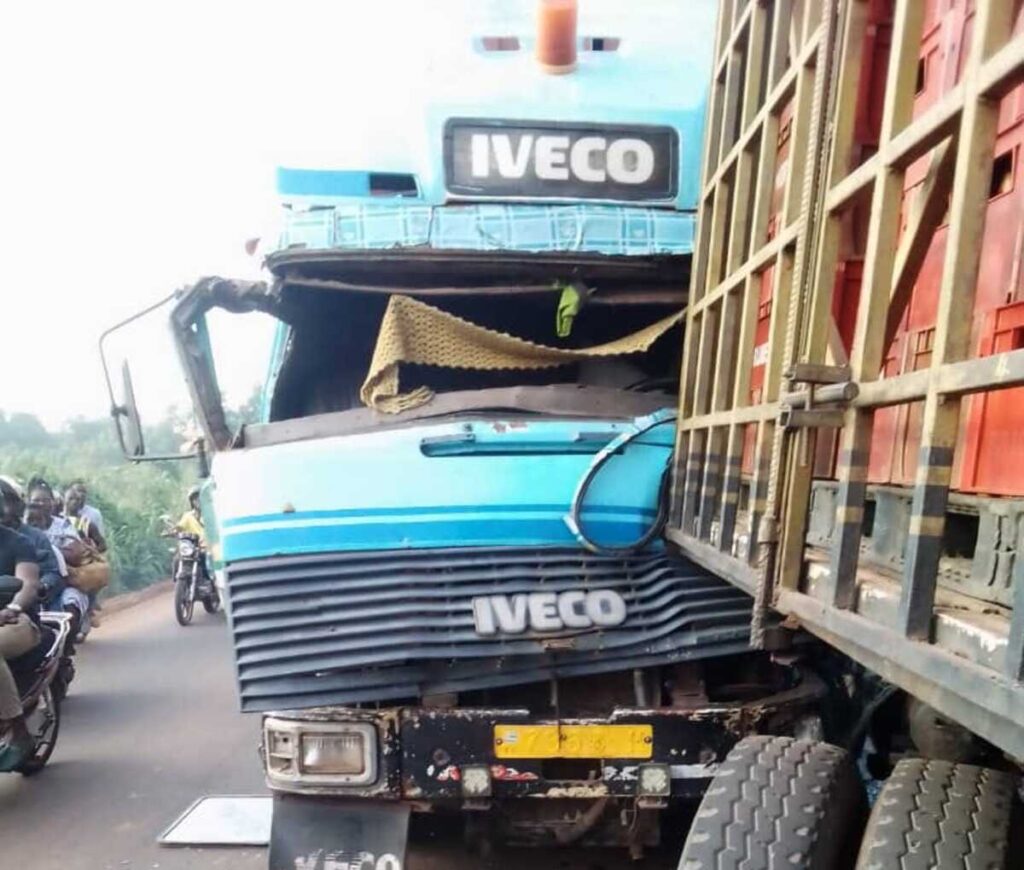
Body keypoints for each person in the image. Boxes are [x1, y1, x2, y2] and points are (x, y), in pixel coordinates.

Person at [0, 515, 42, 768]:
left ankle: (19, 732)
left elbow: (27, 583)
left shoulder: (18, 543)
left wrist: (13, 606)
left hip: (15, 621)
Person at [65, 486, 107, 553]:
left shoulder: (84, 523)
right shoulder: (57, 519)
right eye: (71, 498)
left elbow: (103, 545)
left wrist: (90, 552)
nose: (74, 502)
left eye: (77, 499)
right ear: (65, 500)